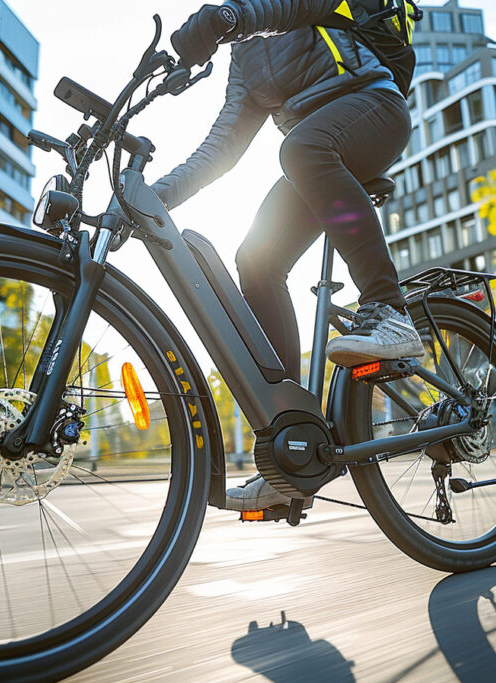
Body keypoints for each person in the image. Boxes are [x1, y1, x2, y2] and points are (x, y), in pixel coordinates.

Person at [153, 0, 424, 510]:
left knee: (299, 149)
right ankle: (293, 438)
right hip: (314, 152)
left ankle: (390, 311)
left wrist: (230, 18)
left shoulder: (276, 9)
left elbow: (285, 8)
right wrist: (151, 198)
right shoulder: (244, 60)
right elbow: (220, 151)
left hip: (374, 110)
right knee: (256, 259)